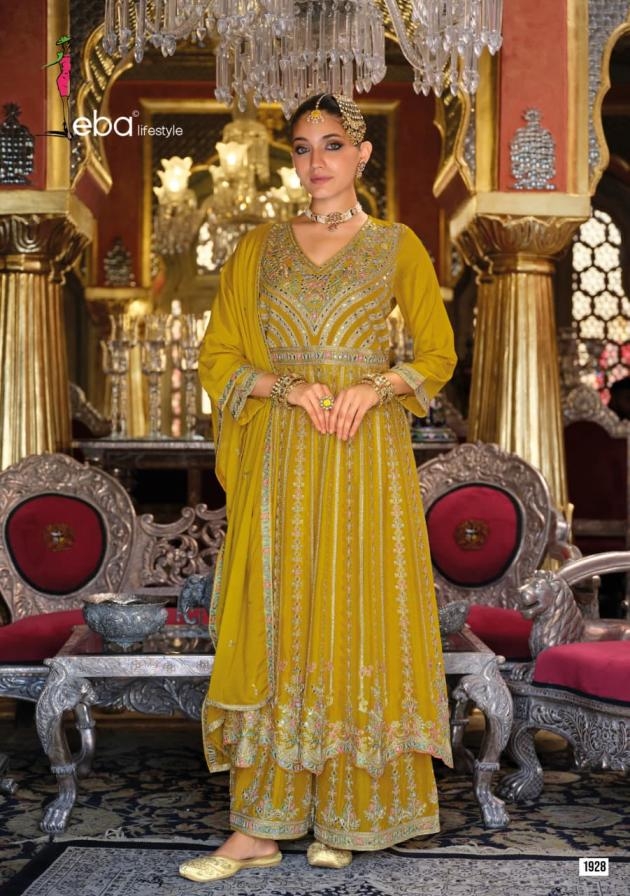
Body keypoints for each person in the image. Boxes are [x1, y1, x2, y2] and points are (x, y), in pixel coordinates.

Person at [179, 93, 457, 884]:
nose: (316, 162)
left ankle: (347, 813)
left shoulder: (398, 245)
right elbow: (218, 357)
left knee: (352, 616)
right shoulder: (258, 248)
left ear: (363, 154)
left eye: (333, 145)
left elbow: (436, 354)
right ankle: (258, 828)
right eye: (302, 148)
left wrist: (377, 386)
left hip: (364, 457)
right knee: (278, 619)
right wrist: (287, 387)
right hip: (281, 457)